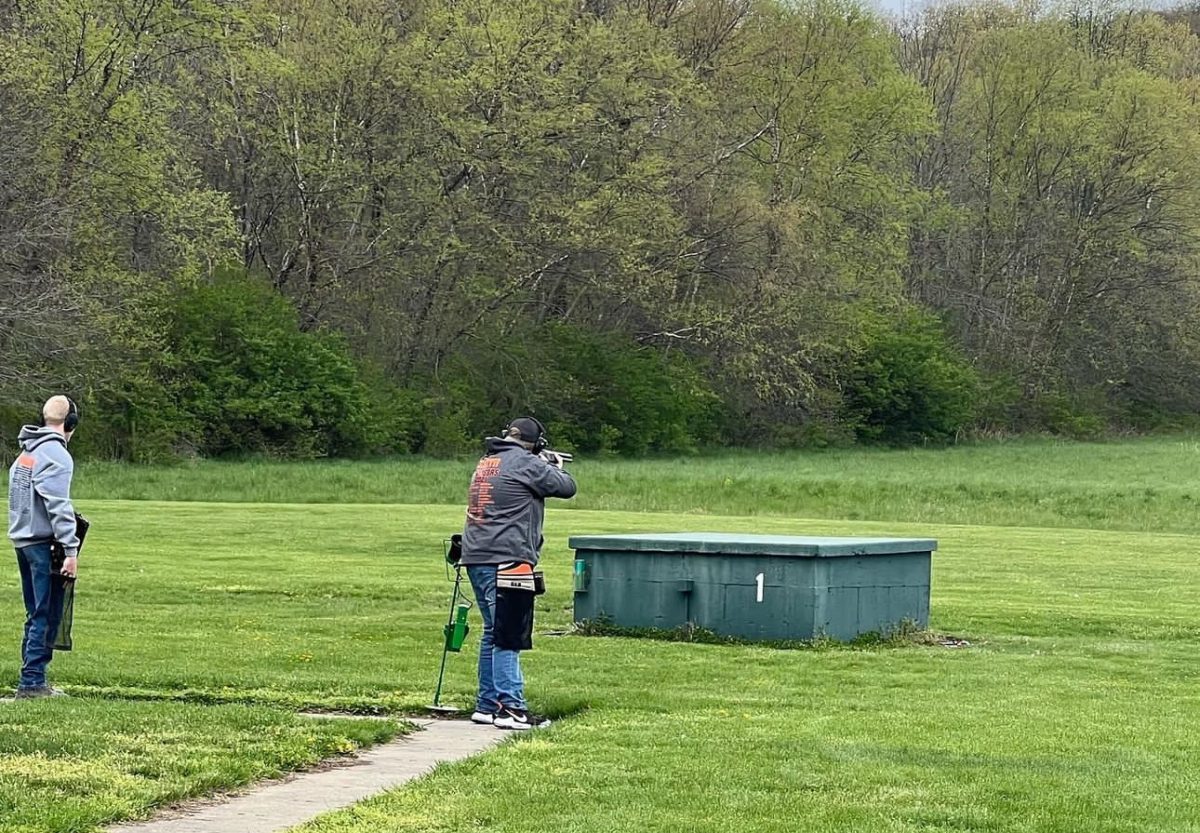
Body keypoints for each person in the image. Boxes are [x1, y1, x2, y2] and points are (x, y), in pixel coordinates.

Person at [460, 416, 576, 730]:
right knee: (509, 635)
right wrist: (552, 465)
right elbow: (566, 487)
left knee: (492, 631)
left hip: (477, 554)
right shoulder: (527, 463)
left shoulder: (488, 461)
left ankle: (486, 705)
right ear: (535, 443)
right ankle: (511, 708)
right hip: (508, 557)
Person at [7, 395, 81, 698]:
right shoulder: (56, 455)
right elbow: (58, 506)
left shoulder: (27, 453)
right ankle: (32, 683)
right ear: (71, 423)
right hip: (41, 544)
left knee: (35, 611)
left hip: (23, 540)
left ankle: (33, 677)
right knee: (45, 612)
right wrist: (71, 551)